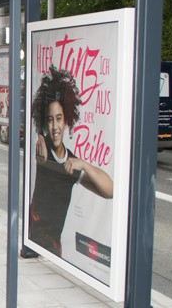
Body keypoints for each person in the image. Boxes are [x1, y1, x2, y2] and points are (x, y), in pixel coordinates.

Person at [29, 66, 113, 257]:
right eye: (50, 120)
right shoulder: (42, 145)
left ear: (67, 120)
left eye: (59, 119)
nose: (55, 126)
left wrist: (83, 164)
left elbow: (109, 191)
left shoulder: (71, 163)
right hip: (34, 236)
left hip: (53, 245)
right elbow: (39, 146)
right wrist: (40, 140)